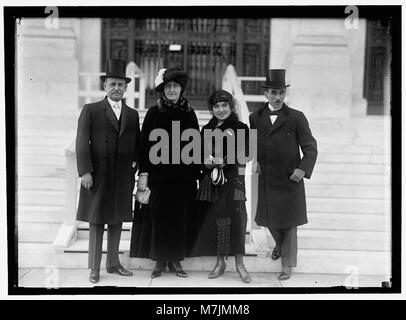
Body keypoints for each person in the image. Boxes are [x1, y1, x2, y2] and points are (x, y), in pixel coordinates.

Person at [129, 67, 200, 279]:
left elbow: (195, 144)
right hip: (158, 175)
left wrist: (193, 174)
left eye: (175, 86)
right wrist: (145, 173)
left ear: (181, 89)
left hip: (182, 176)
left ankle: (176, 260)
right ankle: (160, 260)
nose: (171, 90)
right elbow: (144, 145)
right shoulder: (153, 112)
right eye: (168, 86)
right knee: (159, 217)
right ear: (163, 89)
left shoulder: (189, 112)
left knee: (179, 218)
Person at [76, 59, 141, 283]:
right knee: (96, 221)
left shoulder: (132, 115)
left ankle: (113, 263)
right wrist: (85, 171)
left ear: (125, 88)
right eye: (112, 84)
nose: (116, 88)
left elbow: (137, 143)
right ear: (105, 86)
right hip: (97, 176)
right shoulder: (91, 110)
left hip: (122, 176)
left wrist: (136, 164)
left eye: (120, 85)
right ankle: (94, 267)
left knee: (117, 220)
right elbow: (82, 141)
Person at [249, 69, 318, 280]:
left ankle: (287, 265)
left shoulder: (296, 117)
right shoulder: (255, 117)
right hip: (267, 177)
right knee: (267, 219)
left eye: (280, 93)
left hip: (290, 178)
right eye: (273, 93)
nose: (277, 97)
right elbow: (253, 143)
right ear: (266, 94)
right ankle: (279, 244)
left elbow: (310, 147)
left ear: (284, 94)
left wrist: (302, 170)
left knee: (289, 223)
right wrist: (256, 160)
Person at [193, 89, 252, 283]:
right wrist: (206, 163)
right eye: (216, 106)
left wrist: (225, 160)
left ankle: (240, 263)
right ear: (211, 109)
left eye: (224, 105)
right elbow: (199, 156)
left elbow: (247, 154)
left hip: (234, 181)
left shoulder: (241, 128)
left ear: (231, 106)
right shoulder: (207, 129)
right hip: (213, 182)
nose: (220, 109)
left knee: (237, 219)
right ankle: (220, 262)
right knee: (218, 220)